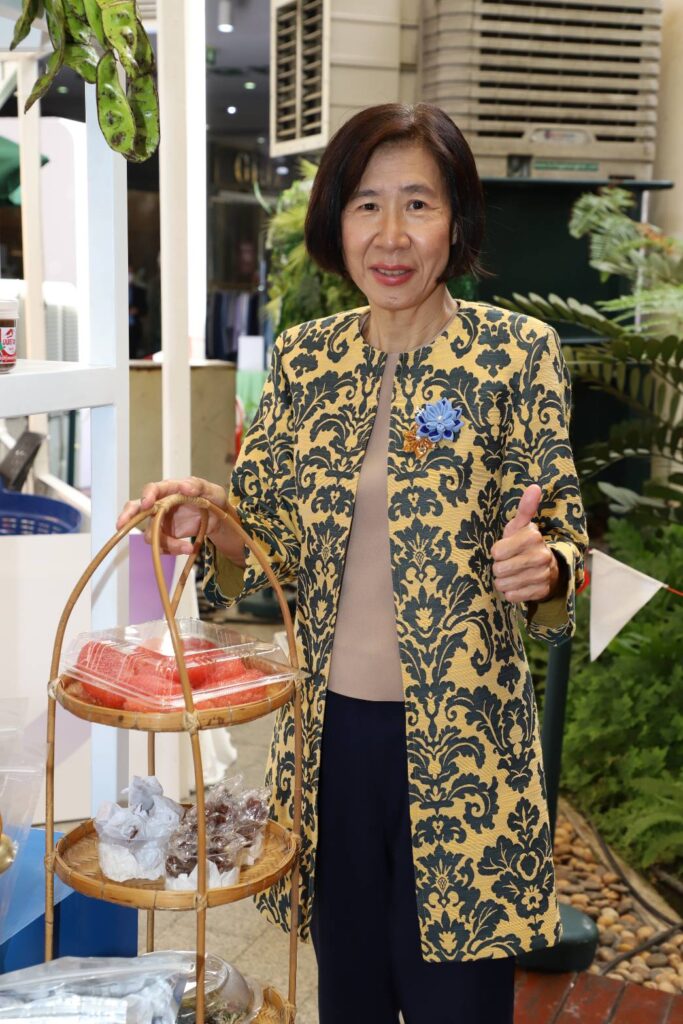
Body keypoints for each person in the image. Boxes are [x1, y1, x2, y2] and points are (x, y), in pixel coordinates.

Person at [117, 103, 588, 1023]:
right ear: (337, 220)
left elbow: (565, 536)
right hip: (329, 746)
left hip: (466, 749)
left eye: (419, 203)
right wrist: (210, 517)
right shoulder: (305, 360)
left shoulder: (515, 354)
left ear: (456, 220)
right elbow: (267, 542)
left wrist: (546, 567)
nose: (392, 234)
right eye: (367, 204)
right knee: (351, 997)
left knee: (458, 1004)